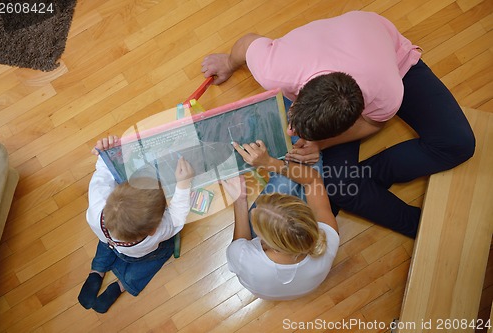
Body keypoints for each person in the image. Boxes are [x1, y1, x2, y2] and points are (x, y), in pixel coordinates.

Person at [201, 11, 475, 238]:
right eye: (294, 121)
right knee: (341, 187)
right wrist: (228, 61)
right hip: (349, 46)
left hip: (389, 60)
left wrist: (321, 145)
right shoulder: (275, 68)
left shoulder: (388, 93)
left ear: (349, 122)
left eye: (300, 132)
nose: (290, 133)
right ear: (299, 94)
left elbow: (373, 124)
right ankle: (412, 220)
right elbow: (249, 41)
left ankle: (370, 190)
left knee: (459, 144)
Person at [78, 135, 194, 313]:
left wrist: (109, 151)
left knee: (105, 244)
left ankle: (97, 271)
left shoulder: (97, 206)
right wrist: (184, 185)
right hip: (138, 253)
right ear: (153, 229)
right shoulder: (159, 232)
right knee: (162, 252)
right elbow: (177, 218)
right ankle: (122, 285)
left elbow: (103, 172)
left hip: (109, 238)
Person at [222, 140, 339, 300]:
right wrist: (268, 162)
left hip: (261, 270)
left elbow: (239, 242)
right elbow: (312, 180)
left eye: (257, 222)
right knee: (310, 159)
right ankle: (290, 138)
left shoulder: (246, 259)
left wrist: (240, 200)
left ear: (265, 241)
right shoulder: (328, 238)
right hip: (298, 269)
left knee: (288, 176)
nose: (254, 208)